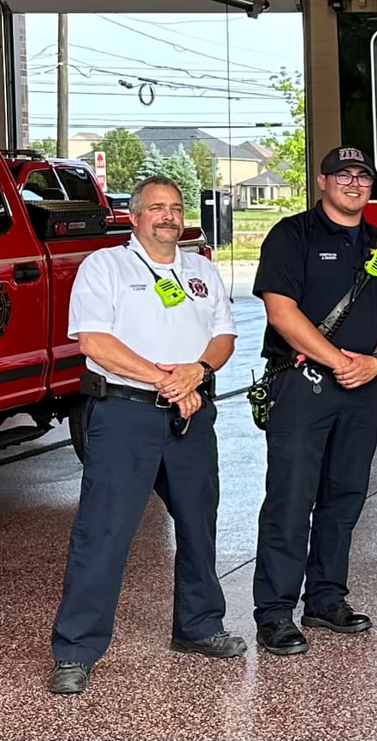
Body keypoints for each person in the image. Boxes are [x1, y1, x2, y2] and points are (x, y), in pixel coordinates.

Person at [47, 177, 246, 695]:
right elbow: (94, 341)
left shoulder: (201, 269)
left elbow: (224, 336)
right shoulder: (105, 267)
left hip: (191, 414)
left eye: (176, 208)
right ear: (133, 217)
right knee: (104, 531)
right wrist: (167, 379)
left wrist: (196, 372)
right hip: (124, 415)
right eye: (156, 208)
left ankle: (199, 626)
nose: (168, 216)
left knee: (199, 525)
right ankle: (75, 649)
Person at [248, 146, 377, 655]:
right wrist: (339, 360)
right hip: (300, 385)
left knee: (344, 499)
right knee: (291, 499)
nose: (354, 184)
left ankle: (325, 597)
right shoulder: (291, 236)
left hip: (361, 387)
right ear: (322, 181)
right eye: (343, 175)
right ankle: (274, 611)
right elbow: (282, 313)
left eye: (362, 176)